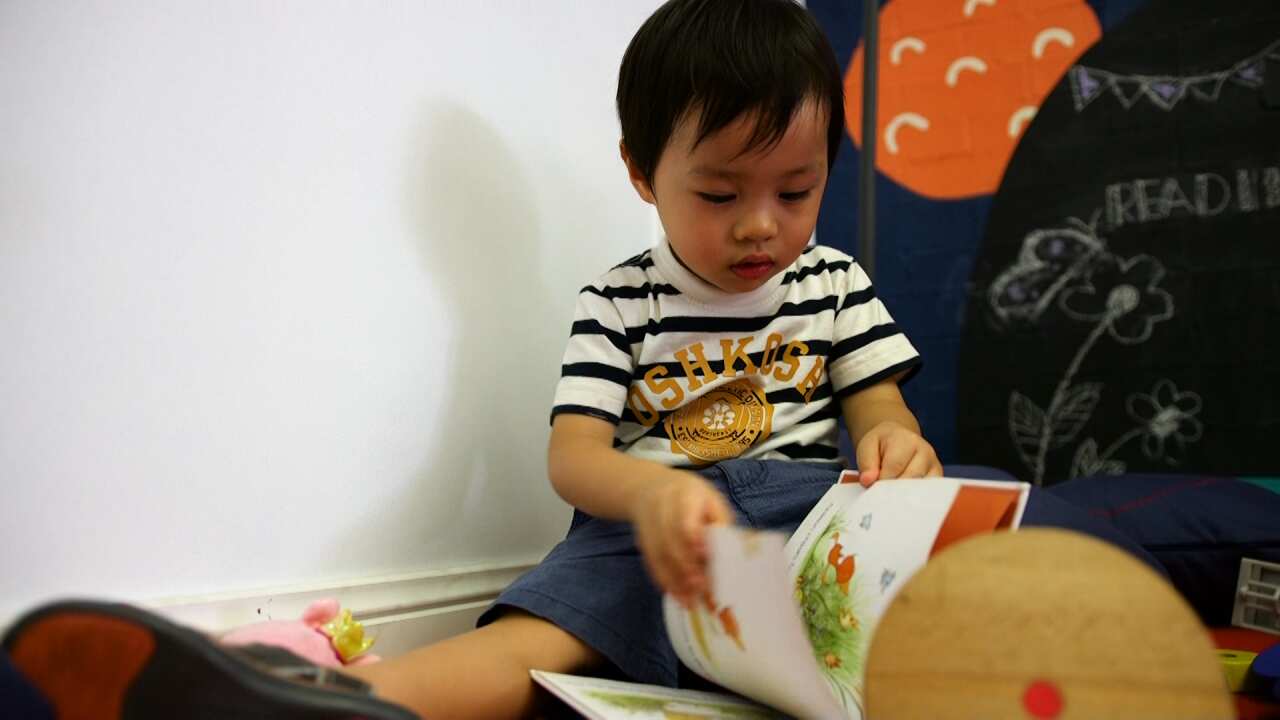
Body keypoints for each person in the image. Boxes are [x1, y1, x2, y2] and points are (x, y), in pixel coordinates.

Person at [1, 1, 939, 718]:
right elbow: (573, 457)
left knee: (968, 534)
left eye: (796, 190)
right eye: (721, 193)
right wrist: (652, 494)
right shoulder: (621, 302)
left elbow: (879, 407)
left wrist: (896, 444)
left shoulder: (834, 282)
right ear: (641, 172)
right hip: (643, 537)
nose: (760, 225)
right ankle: (330, 701)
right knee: (537, 644)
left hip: (809, 523)